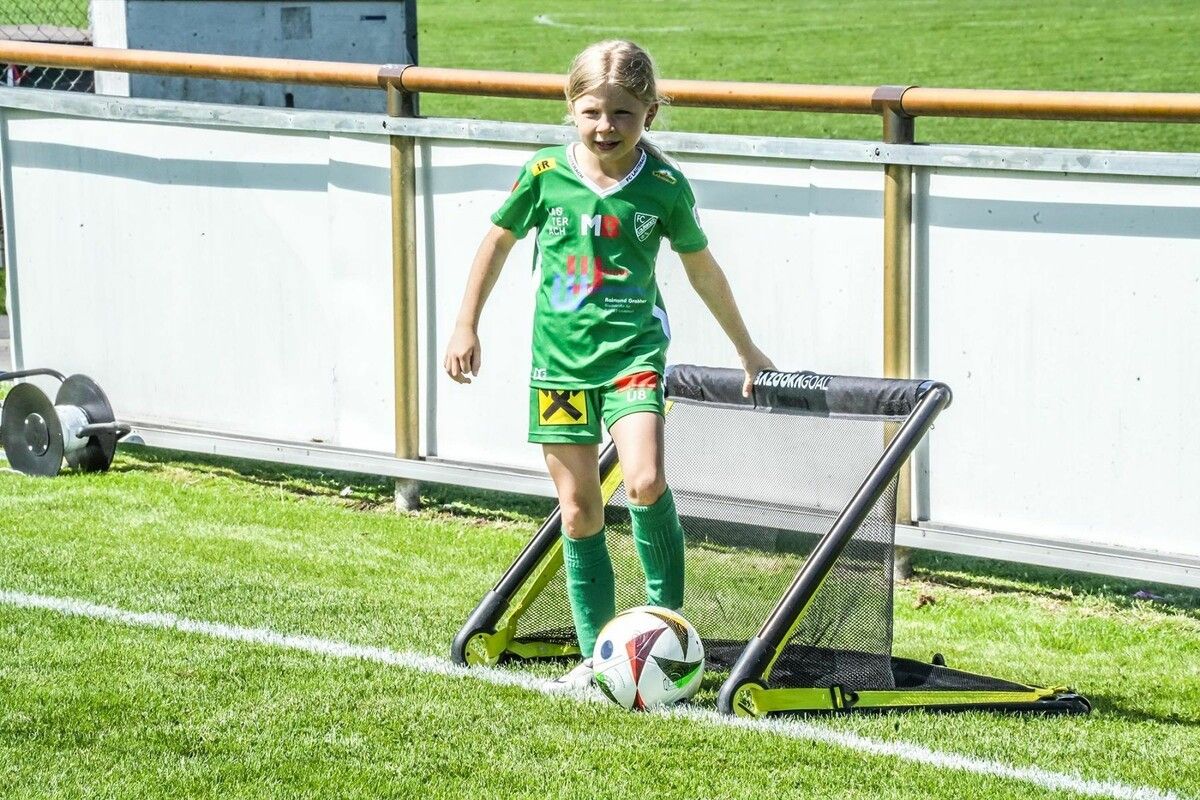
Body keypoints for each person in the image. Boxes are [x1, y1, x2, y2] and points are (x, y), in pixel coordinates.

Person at [443, 40, 774, 689]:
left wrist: (746, 347)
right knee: (577, 510)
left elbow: (701, 268)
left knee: (645, 480)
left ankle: (668, 635)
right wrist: (465, 322)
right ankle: (600, 660)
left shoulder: (665, 187)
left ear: (650, 113)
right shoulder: (543, 175)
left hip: (632, 361)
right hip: (558, 369)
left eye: (623, 114)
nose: (606, 127)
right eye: (593, 111)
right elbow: (497, 241)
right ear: (571, 108)